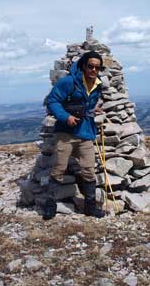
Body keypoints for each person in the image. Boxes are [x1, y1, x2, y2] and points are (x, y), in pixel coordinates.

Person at [43, 51, 106, 220]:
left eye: (97, 67)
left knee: (89, 169)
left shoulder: (97, 84)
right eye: (90, 66)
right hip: (66, 133)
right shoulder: (69, 82)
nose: (93, 70)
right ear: (83, 65)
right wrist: (66, 117)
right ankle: (50, 205)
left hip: (85, 131)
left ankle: (90, 207)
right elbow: (52, 101)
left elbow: (86, 103)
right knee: (59, 168)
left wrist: (92, 109)